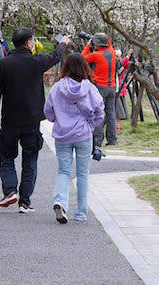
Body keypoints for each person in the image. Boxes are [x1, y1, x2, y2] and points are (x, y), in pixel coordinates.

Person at [0, 27, 71, 213]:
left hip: (10, 120)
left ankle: (10, 191)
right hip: (32, 120)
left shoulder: (4, 64)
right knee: (30, 159)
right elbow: (55, 56)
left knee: (6, 156)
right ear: (30, 43)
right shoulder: (36, 62)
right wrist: (63, 43)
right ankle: (24, 202)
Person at [44, 52, 104, 223]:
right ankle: (81, 213)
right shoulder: (90, 88)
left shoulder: (57, 87)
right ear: (84, 67)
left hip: (62, 135)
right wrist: (91, 125)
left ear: (66, 67)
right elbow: (100, 110)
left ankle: (59, 202)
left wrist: (58, 119)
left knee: (64, 171)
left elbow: (48, 111)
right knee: (83, 173)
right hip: (84, 135)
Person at [82, 32, 118, 150]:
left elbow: (81, 58)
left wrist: (88, 45)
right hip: (112, 87)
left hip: (100, 88)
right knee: (111, 113)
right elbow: (108, 43)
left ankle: (98, 139)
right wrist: (100, 36)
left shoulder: (96, 55)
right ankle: (112, 139)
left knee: (99, 113)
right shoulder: (112, 52)